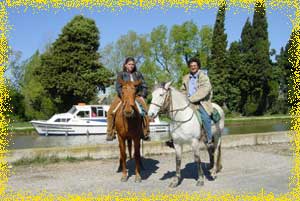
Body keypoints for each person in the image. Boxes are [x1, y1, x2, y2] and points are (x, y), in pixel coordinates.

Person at [106, 57, 150, 141]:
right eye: (129, 64)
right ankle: (110, 132)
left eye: (133, 64)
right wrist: (123, 96)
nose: (131, 66)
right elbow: (118, 87)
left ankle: (145, 132)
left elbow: (144, 85)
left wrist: (142, 95)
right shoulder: (121, 74)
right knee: (111, 112)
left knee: (145, 111)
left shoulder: (138, 74)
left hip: (136, 96)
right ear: (125, 65)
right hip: (123, 96)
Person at [181, 57, 214, 147]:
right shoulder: (185, 77)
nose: (193, 67)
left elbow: (204, 90)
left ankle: (209, 138)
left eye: (195, 65)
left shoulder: (203, 76)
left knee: (205, 117)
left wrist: (191, 99)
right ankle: (176, 138)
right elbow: (183, 90)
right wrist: (183, 98)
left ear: (198, 66)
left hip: (201, 102)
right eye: (191, 66)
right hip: (188, 102)